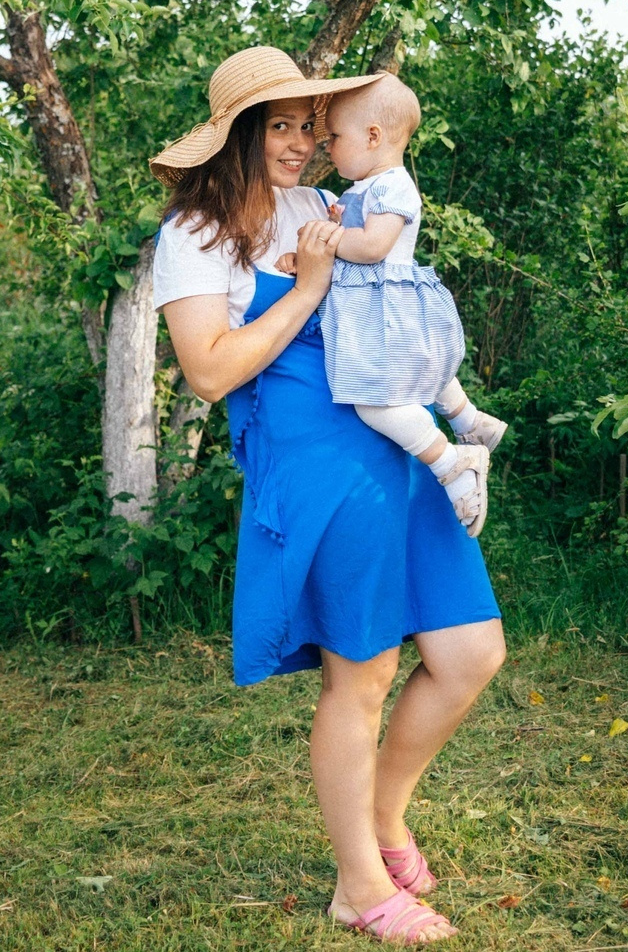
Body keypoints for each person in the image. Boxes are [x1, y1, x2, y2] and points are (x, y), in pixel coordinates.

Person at [154, 46, 505, 945]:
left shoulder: (323, 202)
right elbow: (207, 370)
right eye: (283, 124)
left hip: (395, 432)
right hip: (316, 453)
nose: (304, 141)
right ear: (239, 133)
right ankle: (358, 883)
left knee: (469, 651)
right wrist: (307, 288)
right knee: (366, 668)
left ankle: (385, 817)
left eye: (311, 123)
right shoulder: (192, 234)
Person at [315, 74, 507, 535]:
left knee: (373, 404)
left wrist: (331, 238)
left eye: (335, 137)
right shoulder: (366, 187)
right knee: (421, 367)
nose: (327, 148)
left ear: (373, 136)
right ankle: (470, 421)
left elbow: (373, 247)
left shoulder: (393, 186)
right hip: (374, 304)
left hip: (382, 304)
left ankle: (451, 462)